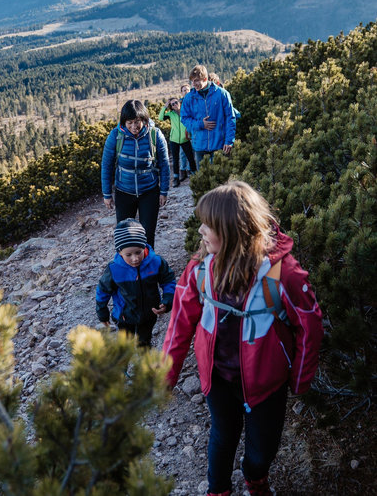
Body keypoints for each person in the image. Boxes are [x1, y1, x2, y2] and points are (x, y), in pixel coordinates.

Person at [162, 181, 323, 496]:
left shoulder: (281, 274)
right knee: (222, 435)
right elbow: (180, 322)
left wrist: (300, 378)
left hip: (266, 384)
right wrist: (166, 375)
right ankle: (218, 489)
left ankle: (255, 478)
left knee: (262, 450)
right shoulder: (200, 269)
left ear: (233, 232)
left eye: (209, 226)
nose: (201, 231)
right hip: (218, 377)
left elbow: (310, 325)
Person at [96, 218, 176, 347]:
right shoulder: (114, 269)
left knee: (144, 344)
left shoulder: (156, 262)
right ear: (119, 252)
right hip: (124, 317)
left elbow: (168, 280)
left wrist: (168, 299)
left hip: (149, 315)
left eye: (138, 252)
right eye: (128, 254)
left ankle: (144, 366)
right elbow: (103, 290)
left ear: (144, 245)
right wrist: (102, 313)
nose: (135, 258)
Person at [101, 99, 170, 247]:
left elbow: (164, 164)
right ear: (123, 122)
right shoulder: (115, 136)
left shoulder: (155, 135)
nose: (134, 127)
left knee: (148, 234)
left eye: (137, 122)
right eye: (129, 122)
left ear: (144, 119)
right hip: (124, 192)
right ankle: (127, 268)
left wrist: (163, 191)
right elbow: (106, 165)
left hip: (149, 192)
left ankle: (148, 267)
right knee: (124, 235)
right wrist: (107, 194)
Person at [180, 65, 237, 170]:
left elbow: (230, 118)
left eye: (196, 80)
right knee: (203, 183)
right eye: (192, 81)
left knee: (221, 181)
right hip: (199, 146)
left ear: (205, 79)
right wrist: (200, 124)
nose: (194, 84)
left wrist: (229, 141)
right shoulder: (188, 98)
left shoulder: (222, 94)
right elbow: (184, 118)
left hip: (219, 145)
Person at [158, 97, 197, 187]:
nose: (175, 104)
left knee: (190, 157)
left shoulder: (185, 111)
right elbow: (160, 118)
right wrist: (165, 107)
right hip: (174, 140)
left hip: (185, 139)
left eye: (176, 102)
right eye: (172, 104)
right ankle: (176, 178)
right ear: (171, 106)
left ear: (179, 102)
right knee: (175, 160)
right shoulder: (170, 114)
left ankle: (195, 175)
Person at [179, 84, 191, 178]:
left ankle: (190, 168)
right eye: (184, 90)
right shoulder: (179, 104)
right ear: (181, 93)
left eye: (187, 89)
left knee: (193, 150)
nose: (186, 91)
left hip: (192, 129)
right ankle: (183, 170)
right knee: (183, 152)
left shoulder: (194, 101)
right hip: (183, 131)